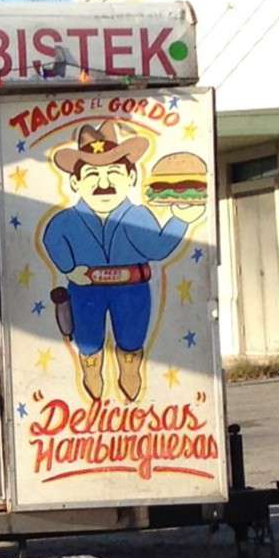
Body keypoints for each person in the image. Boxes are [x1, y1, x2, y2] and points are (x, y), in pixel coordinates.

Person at [40, 121, 205, 401]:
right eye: (92, 175)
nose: (104, 184)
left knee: (131, 336)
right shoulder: (66, 219)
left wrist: (180, 220)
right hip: (86, 287)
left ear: (130, 178)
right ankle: (91, 368)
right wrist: (69, 269)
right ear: (76, 182)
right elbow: (52, 239)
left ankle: (130, 369)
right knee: (88, 337)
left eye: (114, 174)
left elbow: (158, 248)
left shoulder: (138, 216)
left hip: (132, 287)